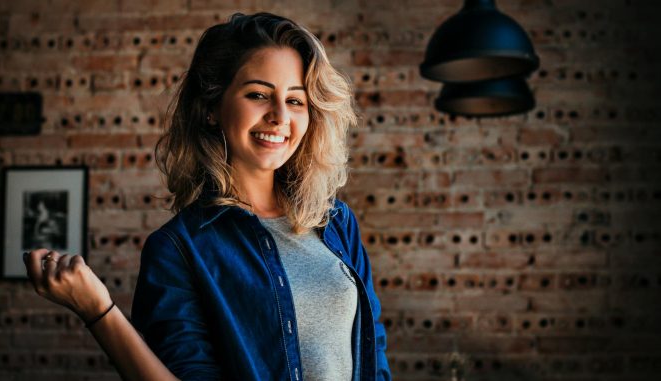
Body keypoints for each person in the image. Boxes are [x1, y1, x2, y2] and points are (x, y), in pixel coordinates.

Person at [24, 12, 391, 381]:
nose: (280, 116)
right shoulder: (178, 249)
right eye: (259, 95)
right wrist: (99, 311)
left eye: (296, 101)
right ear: (213, 108)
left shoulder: (336, 223)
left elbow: (374, 356)